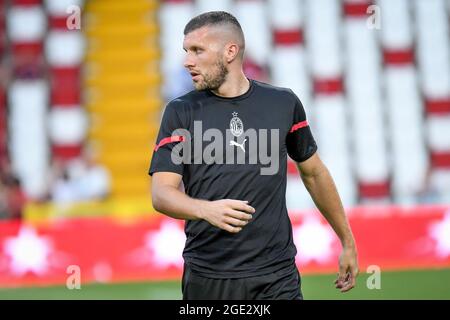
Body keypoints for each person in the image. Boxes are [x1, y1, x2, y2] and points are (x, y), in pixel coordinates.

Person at [149, 11, 358, 300]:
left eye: (197, 50)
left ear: (230, 51)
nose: (187, 61)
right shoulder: (180, 111)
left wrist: (347, 241)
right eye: (186, 51)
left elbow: (314, 172)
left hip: (278, 275)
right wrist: (206, 210)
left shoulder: (283, 104)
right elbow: (161, 194)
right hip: (209, 276)